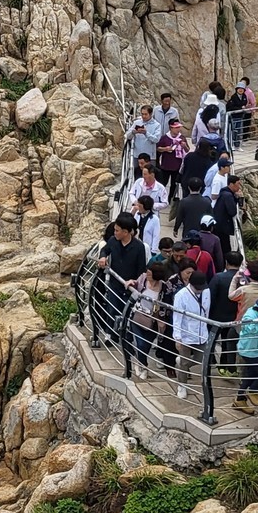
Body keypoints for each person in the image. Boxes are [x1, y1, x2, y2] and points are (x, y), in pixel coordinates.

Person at [98, 212, 148, 344]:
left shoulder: (139, 247)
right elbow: (105, 250)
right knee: (112, 309)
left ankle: (126, 338)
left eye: (117, 230)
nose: (114, 232)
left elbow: (142, 269)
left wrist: (134, 282)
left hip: (130, 287)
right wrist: (103, 257)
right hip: (115, 283)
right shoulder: (113, 241)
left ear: (126, 232)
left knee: (128, 312)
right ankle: (110, 335)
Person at [172, 270, 211, 399]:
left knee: (201, 359)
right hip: (186, 333)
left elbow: (206, 311)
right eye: (197, 288)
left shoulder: (206, 291)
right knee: (184, 363)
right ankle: (182, 385)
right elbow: (177, 318)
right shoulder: (181, 295)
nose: (199, 290)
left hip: (202, 333)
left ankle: (182, 362)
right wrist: (177, 338)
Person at [130, 260, 169, 380]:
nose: (147, 275)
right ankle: (144, 367)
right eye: (147, 272)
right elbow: (134, 286)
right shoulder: (143, 279)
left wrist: (161, 320)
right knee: (141, 344)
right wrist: (130, 283)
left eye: (150, 274)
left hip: (153, 322)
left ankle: (139, 362)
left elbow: (166, 305)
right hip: (138, 316)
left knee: (146, 346)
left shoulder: (164, 287)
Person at [209, 250, 242, 377]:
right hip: (235, 317)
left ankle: (209, 363)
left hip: (217, 317)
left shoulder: (218, 278)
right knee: (229, 342)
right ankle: (226, 366)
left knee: (212, 342)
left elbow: (211, 297)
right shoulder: (244, 280)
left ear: (226, 263)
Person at [156, 117, 188, 201]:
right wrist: (165, 149)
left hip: (177, 165)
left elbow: (187, 150)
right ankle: (160, 197)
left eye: (179, 127)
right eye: (176, 127)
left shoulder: (182, 137)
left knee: (174, 184)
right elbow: (158, 148)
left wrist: (184, 146)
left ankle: (171, 199)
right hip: (166, 165)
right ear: (171, 128)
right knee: (163, 183)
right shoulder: (165, 138)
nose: (178, 129)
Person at [125, 106, 162, 177]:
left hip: (150, 157)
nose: (144, 116)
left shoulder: (157, 125)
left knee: (150, 175)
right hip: (137, 155)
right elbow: (127, 136)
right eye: (142, 114)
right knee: (136, 176)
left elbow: (156, 139)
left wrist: (146, 133)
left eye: (146, 114)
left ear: (151, 114)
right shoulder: (136, 123)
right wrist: (133, 132)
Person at [211, 173, 243, 252]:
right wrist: (239, 198)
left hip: (218, 225)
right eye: (238, 184)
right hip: (222, 227)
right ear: (231, 184)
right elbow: (232, 212)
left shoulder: (224, 192)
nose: (239, 186)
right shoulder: (228, 196)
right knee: (225, 248)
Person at [226, 83, 248, 149]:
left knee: (239, 131)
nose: (240, 90)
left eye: (242, 89)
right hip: (234, 117)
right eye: (239, 88)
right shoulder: (233, 97)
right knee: (233, 131)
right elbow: (231, 107)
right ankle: (232, 144)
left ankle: (237, 145)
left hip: (240, 116)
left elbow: (245, 103)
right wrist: (240, 108)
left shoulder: (244, 96)